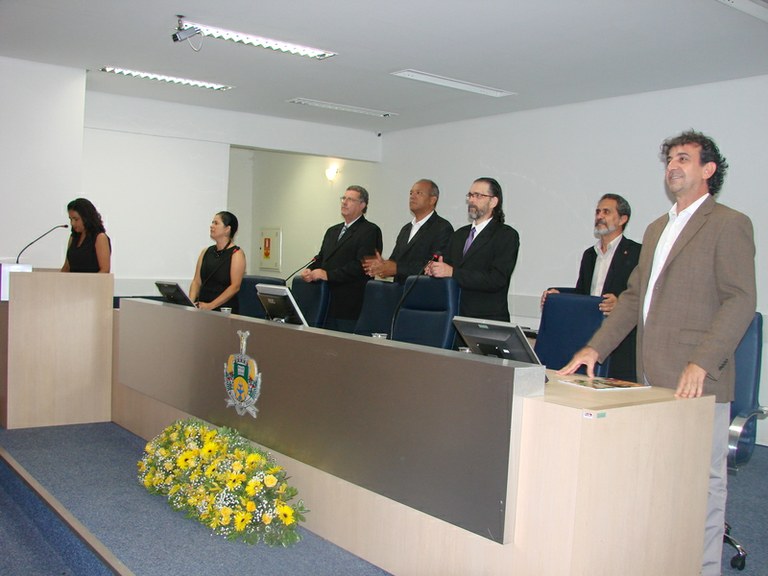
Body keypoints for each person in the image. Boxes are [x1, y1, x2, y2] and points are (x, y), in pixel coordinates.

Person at [559, 130, 756, 576]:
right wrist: (595, 347)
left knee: (702, 485)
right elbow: (633, 299)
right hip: (649, 375)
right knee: (657, 478)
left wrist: (702, 361)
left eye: (684, 158)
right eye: (669, 159)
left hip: (696, 379)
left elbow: (740, 299)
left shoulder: (729, 223)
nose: (673, 166)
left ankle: (703, 568)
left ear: (708, 170)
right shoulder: (656, 228)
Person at [541, 193, 641, 381]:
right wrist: (559, 295)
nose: (599, 216)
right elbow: (584, 293)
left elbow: (642, 295)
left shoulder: (637, 253)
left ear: (623, 219)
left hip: (620, 343)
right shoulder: (589, 254)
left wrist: (620, 303)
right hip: (589, 334)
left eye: (606, 212)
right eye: (597, 212)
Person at [425, 177, 520, 321]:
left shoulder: (506, 235)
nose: (471, 200)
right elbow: (447, 268)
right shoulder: (459, 235)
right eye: (470, 195)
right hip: (454, 316)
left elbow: (497, 279)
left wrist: (452, 272)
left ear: (493, 202)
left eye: (478, 196)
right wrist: (434, 269)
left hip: (487, 319)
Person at [301, 185, 383, 332]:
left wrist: (328, 275)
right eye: (343, 198)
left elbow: (362, 266)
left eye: (350, 199)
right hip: (324, 302)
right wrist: (310, 270)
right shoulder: (332, 231)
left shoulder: (370, 231)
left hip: (349, 307)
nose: (344, 202)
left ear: (362, 205)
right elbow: (321, 258)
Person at [362, 179, 453, 283]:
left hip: (424, 290)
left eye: (418, 193)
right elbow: (395, 261)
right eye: (411, 193)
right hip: (399, 290)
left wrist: (396, 268)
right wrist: (383, 266)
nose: (412, 196)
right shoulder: (406, 229)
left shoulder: (442, 228)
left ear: (432, 200)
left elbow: (432, 266)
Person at [189, 211, 246, 313]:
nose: (211, 226)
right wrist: (190, 303)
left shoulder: (236, 254)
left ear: (227, 229)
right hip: (202, 308)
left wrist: (210, 305)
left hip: (224, 310)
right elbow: (196, 281)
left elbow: (235, 286)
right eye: (212, 222)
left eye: (216, 223)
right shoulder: (206, 251)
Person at [61, 198, 111, 273]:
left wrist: (89, 281)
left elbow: (105, 270)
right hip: (72, 280)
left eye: (76, 219)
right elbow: (66, 267)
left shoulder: (100, 237)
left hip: (93, 280)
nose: (72, 223)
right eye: (70, 219)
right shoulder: (73, 237)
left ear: (86, 218)